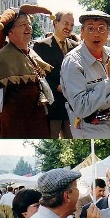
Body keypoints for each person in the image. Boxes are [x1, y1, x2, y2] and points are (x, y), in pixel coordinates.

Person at [60, 10, 110, 138]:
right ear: (82, 33)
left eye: (102, 28)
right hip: (89, 128)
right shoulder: (73, 62)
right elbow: (80, 107)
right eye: (90, 28)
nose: (96, 34)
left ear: (108, 33)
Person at [0, 4, 55, 138]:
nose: (29, 27)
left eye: (29, 24)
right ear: (10, 32)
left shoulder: (32, 53)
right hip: (15, 123)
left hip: (37, 118)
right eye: (23, 24)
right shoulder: (1, 58)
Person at [33, 11, 78, 139]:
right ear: (55, 23)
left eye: (71, 25)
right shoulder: (41, 46)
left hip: (72, 108)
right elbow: (38, 76)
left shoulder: (76, 47)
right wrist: (57, 87)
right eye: (66, 23)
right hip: (52, 106)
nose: (69, 28)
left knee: (72, 140)